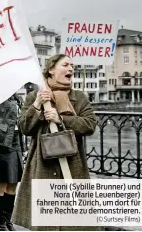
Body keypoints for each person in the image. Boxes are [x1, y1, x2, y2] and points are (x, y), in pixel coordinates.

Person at [11, 54, 99, 231]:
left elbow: (90, 125)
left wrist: (62, 120)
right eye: (65, 64)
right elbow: (24, 128)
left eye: (72, 66)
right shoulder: (35, 96)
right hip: (43, 166)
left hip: (73, 165)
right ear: (51, 69)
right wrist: (37, 105)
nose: (71, 69)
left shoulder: (79, 98)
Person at [0, 94, 23, 231]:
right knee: (1, 184)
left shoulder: (18, 98)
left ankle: (8, 219)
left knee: (13, 184)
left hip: (16, 142)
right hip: (1, 142)